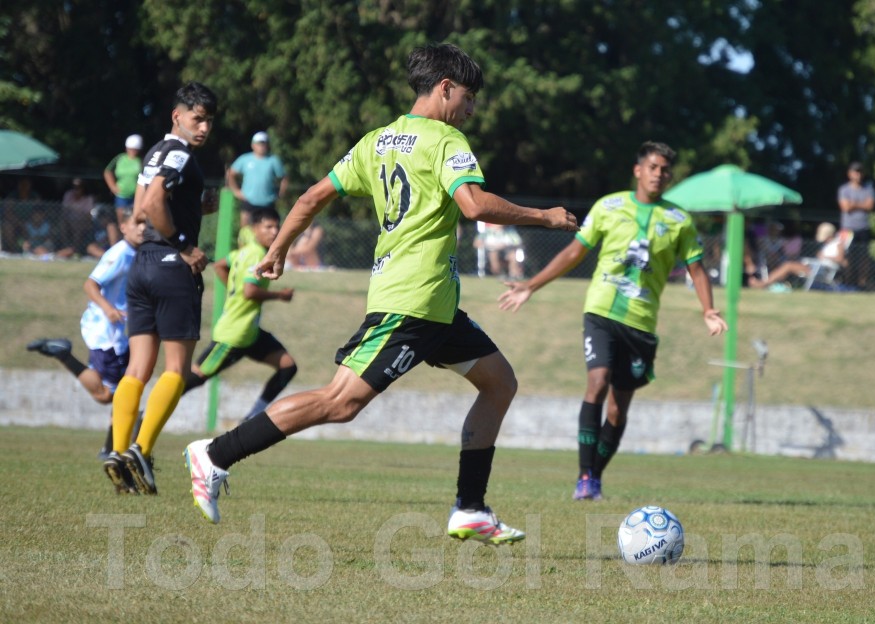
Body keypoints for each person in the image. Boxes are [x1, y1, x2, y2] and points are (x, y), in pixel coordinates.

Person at [183, 43, 578, 542]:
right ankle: (215, 454)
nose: (472, 109)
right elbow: (473, 205)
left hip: (436, 308)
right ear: (445, 88)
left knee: (499, 382)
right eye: (470, 97)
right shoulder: (445, 140)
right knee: (341, 402)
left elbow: (312, 197)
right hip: (410, 304)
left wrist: (280, 248)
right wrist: (544, 216)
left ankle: (470, 508)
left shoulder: (378, 141)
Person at [498, 141, 728, 501]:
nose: (658, 174)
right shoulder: (609, 207)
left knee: (618, 410)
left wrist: (708, 310)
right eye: (652, 167)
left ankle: (595, 478)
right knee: (598, 382)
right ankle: (584, 476)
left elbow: (696, 270)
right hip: (601, 311)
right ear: (639, 170)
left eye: (665, 170)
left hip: (641, 323)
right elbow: (575, 252)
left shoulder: (679, 220)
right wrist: (531, 285)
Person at [104, 81, 218, 496]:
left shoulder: (152, 152)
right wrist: (186, 246)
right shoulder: (181, 154)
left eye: (209, 121)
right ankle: (141, 449)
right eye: (197, 118)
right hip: (172, 269)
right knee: (177, 369)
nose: (204, 128)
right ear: (178, 115)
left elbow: (136, 215)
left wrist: (192, 205)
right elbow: (152, 204)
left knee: (138, 369)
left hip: (142, 268)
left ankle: (118, 452)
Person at [26, 211, 147, 483]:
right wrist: (109, 309)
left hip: (111, 333)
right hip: (108, 334)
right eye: (137, 224)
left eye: (146, 225)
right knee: (113, 396)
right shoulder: (121, 253)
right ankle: (64, 355)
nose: (142, 229)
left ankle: (109, 449)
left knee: (119, 394)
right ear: (124, 226)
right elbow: (90, 284)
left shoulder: (135, 251)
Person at [182, 207, 298, 421]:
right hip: (233, 334)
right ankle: (150, 411)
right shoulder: (256, 253)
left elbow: (219, 265)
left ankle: (252, 418)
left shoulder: (242, 252)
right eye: (268, 227)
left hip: (250, 333)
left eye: (276, 226)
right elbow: (249, 291)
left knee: (287, 366)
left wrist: (231, 290)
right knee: (196, 377)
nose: (274, 231)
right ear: (255, 229)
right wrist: (280, 295)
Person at [749, 222, 848, 290]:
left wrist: (824, 257)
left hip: (821, 271)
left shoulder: (838, 244)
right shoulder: (827, 245)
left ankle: (763, 283)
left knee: (788, 265)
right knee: (786, 265)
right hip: (816, 267)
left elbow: (840, 259)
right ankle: (771, 284)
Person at [227, 131, 288, 230]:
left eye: (264, 143)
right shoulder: (245, 159)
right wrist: (236, 191)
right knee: (245, 231)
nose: (261, 146)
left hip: (267, 203)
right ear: (253, 145)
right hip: (249, 201)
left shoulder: (273, 160)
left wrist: (280, 194)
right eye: (259, 143)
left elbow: (284, 178)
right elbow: (230, 174)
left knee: (268, 231)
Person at [837, 161, 875, 288]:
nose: (857, 174)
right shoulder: (844, 190)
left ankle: (862, 284)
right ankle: (847, 282)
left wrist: (854, 204)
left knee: (864, 257)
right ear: (849, 174)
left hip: (863, 228)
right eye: (855, 171)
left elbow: (870, 206)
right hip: (847, 229)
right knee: (846, 256)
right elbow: (845, 207)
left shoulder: (868, 190)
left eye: (859, 172)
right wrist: (861, 205)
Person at [104, 134, 144, 220]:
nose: (132, 151)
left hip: (136, 196)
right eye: (131, 149)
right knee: (122, 221)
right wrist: (113, 187)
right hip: (121, 195)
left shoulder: (141, 161)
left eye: (135, 149)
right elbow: (107, 171)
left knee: (134, 219)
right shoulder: (120, 158)